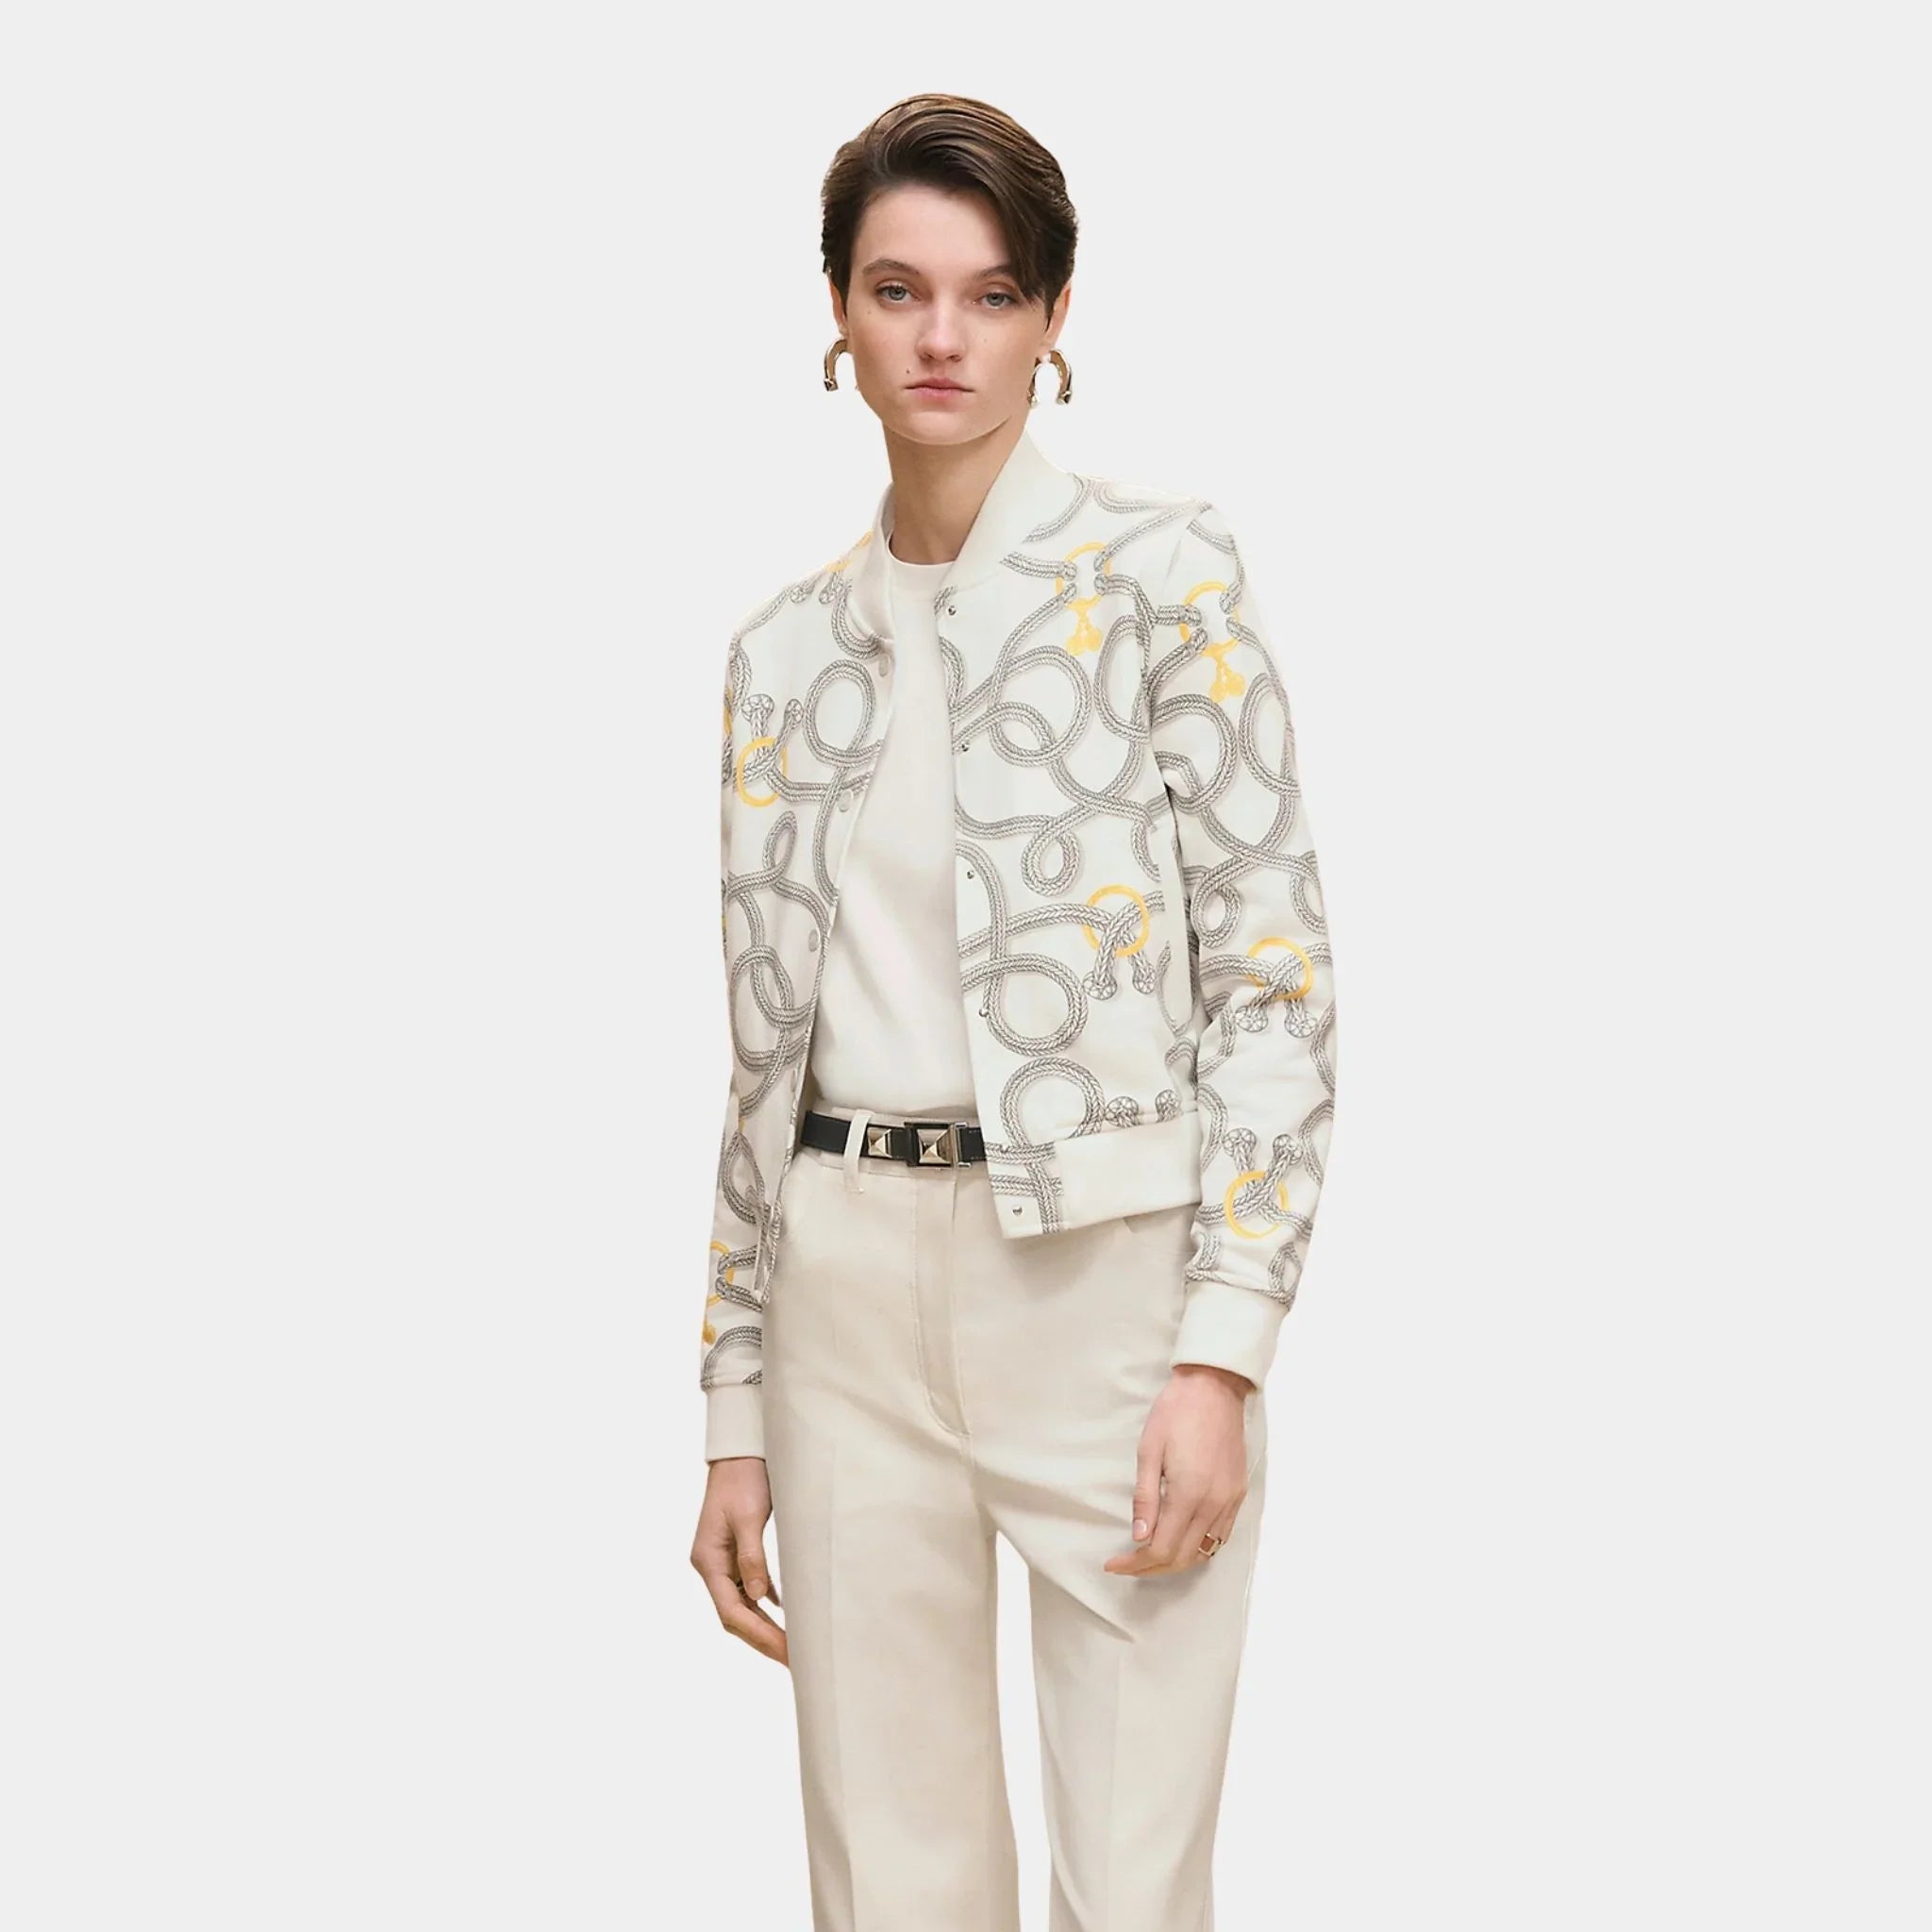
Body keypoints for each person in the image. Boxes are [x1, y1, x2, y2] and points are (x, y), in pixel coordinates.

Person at [688, 92, 1340, 1932]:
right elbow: (759, 1058)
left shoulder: (1160, 578)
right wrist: (733, 1397)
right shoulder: (780, 653)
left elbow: (1274, 975)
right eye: (897, 289)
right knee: (886, 1885)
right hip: (840, 1285)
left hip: (1103, 1281)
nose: (942, 337)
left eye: (990, 294)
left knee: (1131, 1883)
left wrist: (1223, 1349)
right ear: (838, 311)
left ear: (1054, 317)